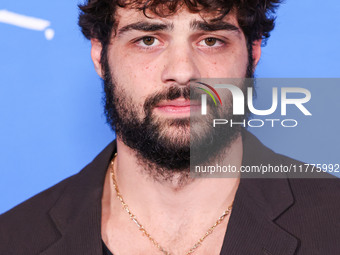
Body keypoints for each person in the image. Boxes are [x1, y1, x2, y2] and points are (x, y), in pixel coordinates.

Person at [1, 0, 339, 254]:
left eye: (210, 39)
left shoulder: (332, 223)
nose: (182, 71)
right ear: (99, 55)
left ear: (253, 52)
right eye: (148, 40)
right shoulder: (15, 239)